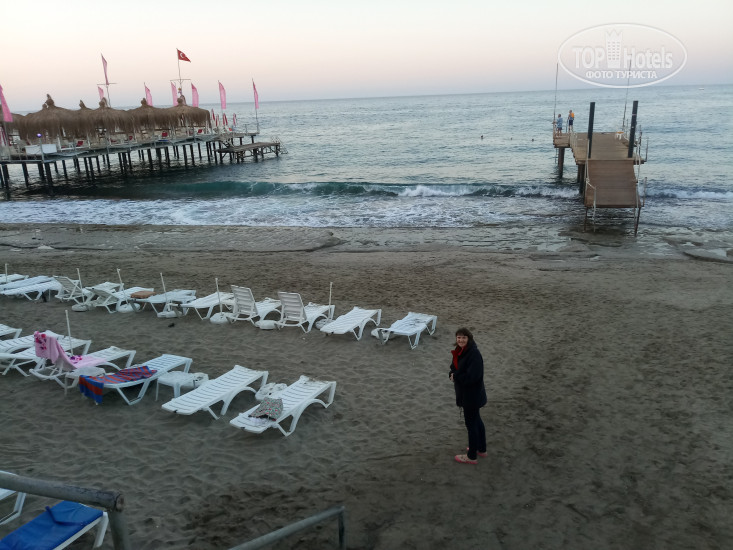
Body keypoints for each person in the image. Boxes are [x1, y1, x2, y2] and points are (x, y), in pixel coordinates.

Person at [449, 327, 487, 464]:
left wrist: (456, 377)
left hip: (472, 395)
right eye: (459, 337)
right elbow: (454, 367)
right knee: (477, 420)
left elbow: (472, 377)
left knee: (471, 424)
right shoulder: (460, 350)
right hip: (468, 394)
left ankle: (471, 456)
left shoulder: (474, 354)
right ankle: (481, 449)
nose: (461, 340)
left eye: (464, 337)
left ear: (469, 338)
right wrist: (451, 374)